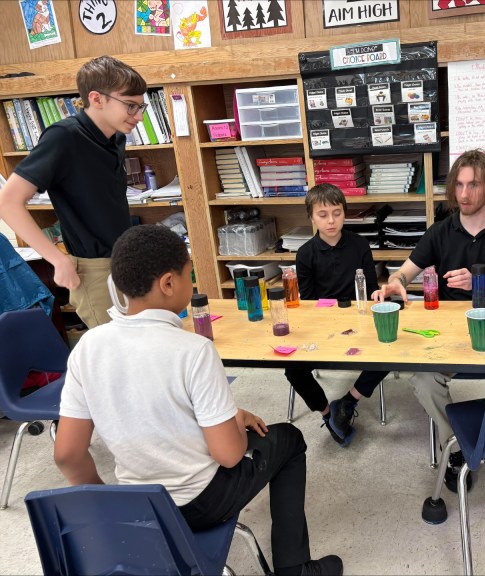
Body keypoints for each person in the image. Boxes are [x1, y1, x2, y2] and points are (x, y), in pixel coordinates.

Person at [53, 225, 342, 576]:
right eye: (189, 273)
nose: (192, 284)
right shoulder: (194, 350)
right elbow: (229, 454)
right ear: (168, 283)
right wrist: (233, 422)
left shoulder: (88, 347)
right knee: (290, 440)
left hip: (140, 506)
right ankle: (293, 567)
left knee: (244, 430)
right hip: (199, 502)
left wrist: (113, 508)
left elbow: (67, 454)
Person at [372, 149, 485, 508]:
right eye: (459, 185)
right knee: (422, 377)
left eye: (474, 185)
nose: (464, 194)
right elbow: (405, 270)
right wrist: (395, 283)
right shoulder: (441, 231)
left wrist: (478, 282)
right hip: (450, 334)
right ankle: (460, 447)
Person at [0, 56, 146, 328]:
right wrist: (57, 259)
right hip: (93, 271)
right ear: (97, 98)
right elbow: (7, 202)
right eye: (130, 106)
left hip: (124, 260)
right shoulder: (63, 137)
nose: (138, 116)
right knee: (117, 360)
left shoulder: (116, 137)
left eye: (141, 107)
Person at [286, 183, 388, 447]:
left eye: (337, 213)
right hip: (323, 324)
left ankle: (349, 400)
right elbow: (307, 301)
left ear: (345, 213)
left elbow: (372, 289)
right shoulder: (306, 253)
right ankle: (328, 413)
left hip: (360, 319)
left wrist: (375, 299)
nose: (331, 221)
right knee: (292, 369)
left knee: (391, 351)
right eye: (322, 214)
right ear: (311, 217)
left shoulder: (359, 245)